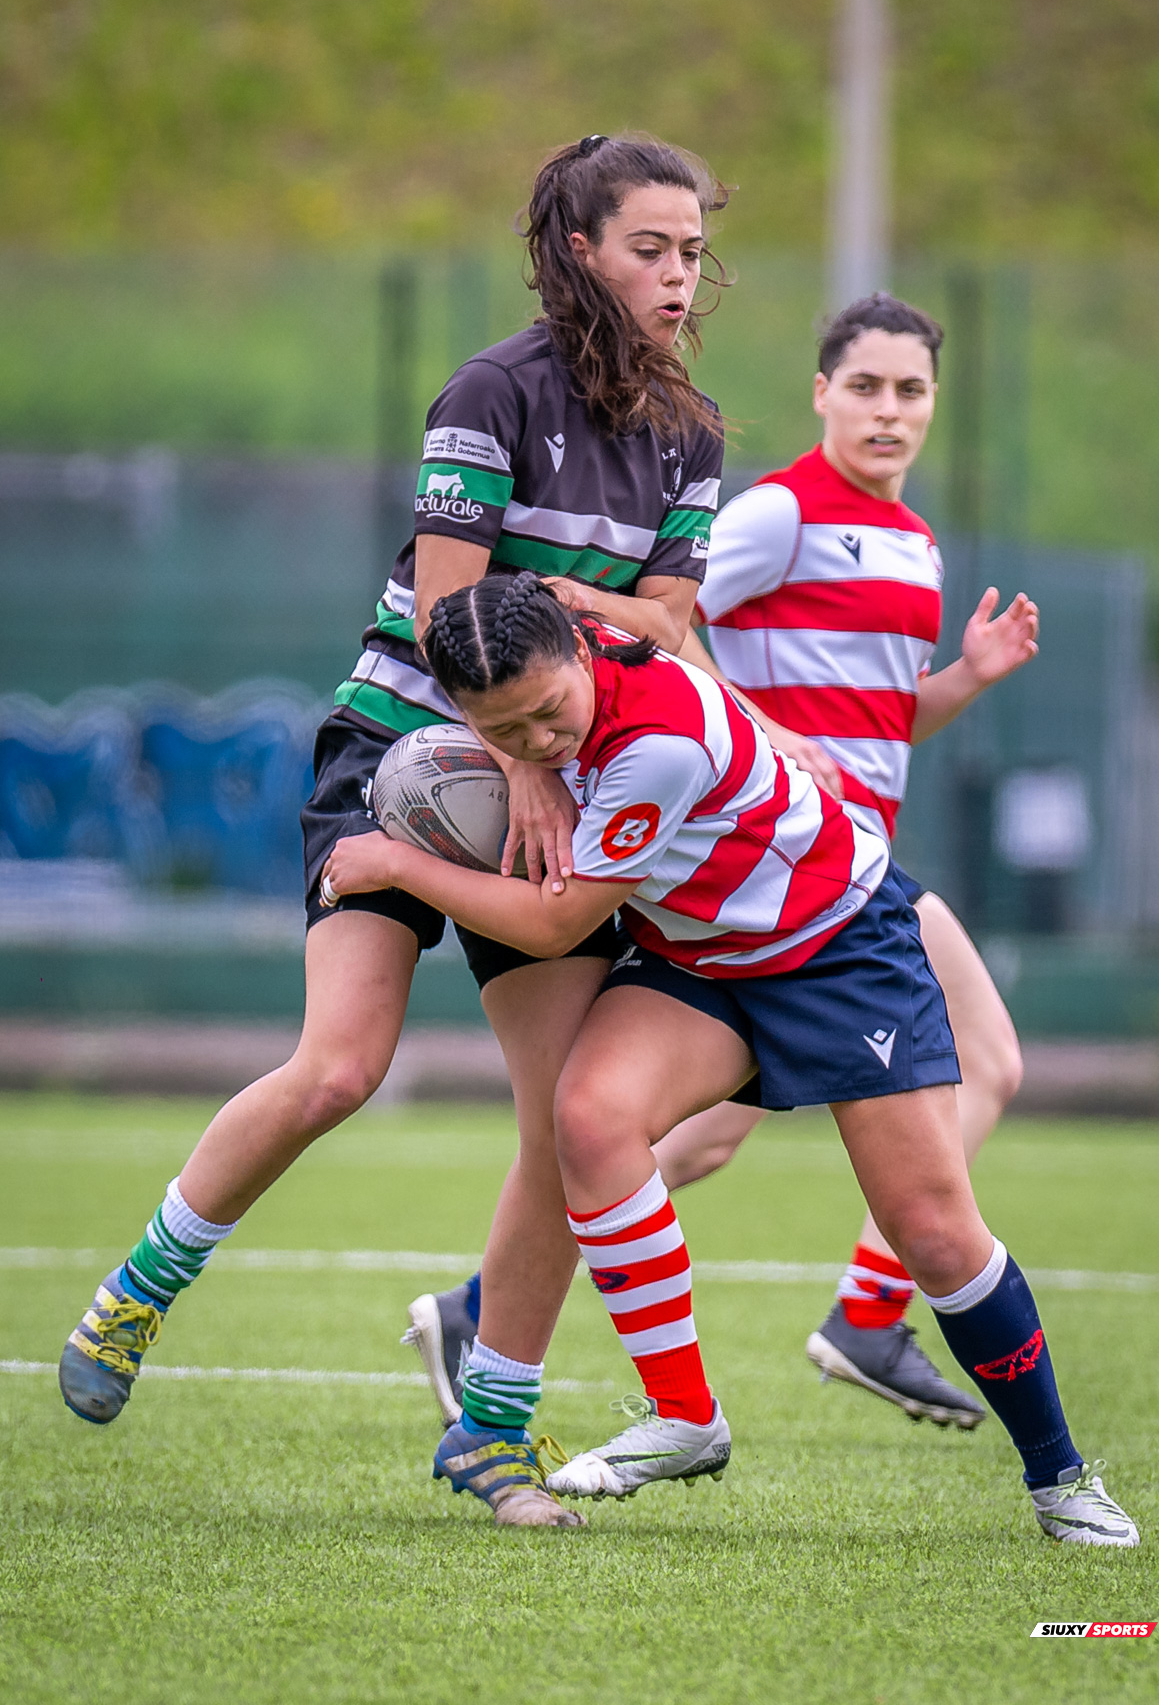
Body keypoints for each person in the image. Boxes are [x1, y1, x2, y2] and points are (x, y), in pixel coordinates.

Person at [57, 134, 727, 1524]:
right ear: (579, 250)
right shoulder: (490, 394)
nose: (677, 274)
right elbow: (447, 611)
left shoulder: (690, 430)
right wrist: (535, 736)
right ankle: (140, 1290)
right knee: (339, 1067)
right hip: (402, 753)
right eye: (649, 247)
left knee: (566, 1119)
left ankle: (488, 1430)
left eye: (691, 250)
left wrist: (574, 719)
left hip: (556, 764)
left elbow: (669, 622)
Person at [323, 571, 1138, 1548]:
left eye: (548, 715)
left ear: (580, 653)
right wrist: (520, 748)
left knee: (929, 1232)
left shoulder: (655, 744)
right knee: (587, 1118)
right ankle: (684, 1417)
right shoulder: (559, 651)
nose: (538, 745)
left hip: (837, 949)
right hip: (703, 957)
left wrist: (397, 863)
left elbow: (557, 924)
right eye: (505, 733)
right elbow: (558, 627)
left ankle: (1057, 1476)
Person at [408, 291, 1037, 1435]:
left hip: (829, 860)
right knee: (983, 1060)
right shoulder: (782, 514)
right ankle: (859, 1316)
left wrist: (968, 679)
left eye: (909, 391)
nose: (888, 411)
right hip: (773, 852)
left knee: (666, 1129)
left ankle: (492, 1307)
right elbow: (667, 632)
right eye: (865, 387)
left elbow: (881, 725)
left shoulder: (914, 541)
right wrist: (733, 725)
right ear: (820, 394)